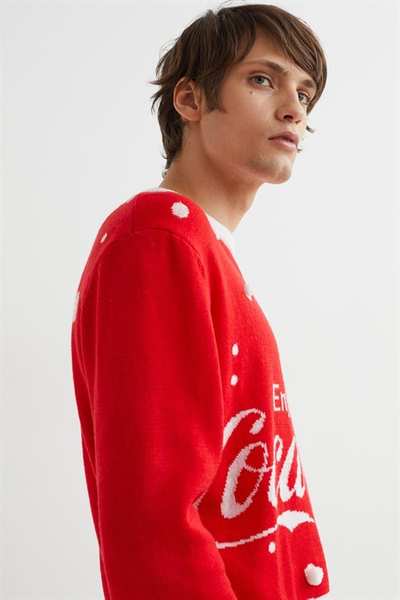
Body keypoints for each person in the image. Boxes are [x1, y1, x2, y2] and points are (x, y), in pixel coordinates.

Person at [70, 3, 330, 599]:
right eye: (262, 79)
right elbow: (153, 517)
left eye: (304, 92)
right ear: (189, 100)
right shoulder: (158, 236)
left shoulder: (202, 250)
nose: (294, 108)